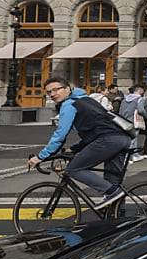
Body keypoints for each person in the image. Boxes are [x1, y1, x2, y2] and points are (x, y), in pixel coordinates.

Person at [27, 77, 130, 210]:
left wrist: (41, 156)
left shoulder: (69, 104)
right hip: (121, 138)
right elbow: (94, 129)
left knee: (74, 169)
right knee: (112, 180)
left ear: (67, 89)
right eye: (48, 92)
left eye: (55, 90)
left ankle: (113, 194)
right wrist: (75, 148)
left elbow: (60, 135)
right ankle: (117, 216)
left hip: (108, 140)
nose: (52, 94)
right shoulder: (84, 99)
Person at [119, 85, 147, 163]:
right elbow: (141, 110)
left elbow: (120, 110)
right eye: (142, 90)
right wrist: (145, 115)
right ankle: (130, 157)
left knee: (127, 138)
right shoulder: (140, 99)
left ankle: (134, 155)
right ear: (139, 90)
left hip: (124, 120)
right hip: (134, 120)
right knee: (133, 138)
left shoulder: (125, 99)